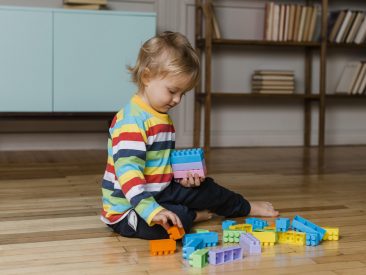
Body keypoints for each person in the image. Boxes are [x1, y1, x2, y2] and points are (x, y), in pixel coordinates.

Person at [101, 31, 279, 240]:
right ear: (147, 77)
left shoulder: (159, 113)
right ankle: (191, 215)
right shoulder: (131, 121)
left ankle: (244, 206)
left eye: (182, 94)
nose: (177, 100)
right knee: (173, 223)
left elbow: (159, 164)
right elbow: (128, 174)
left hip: (160, 190)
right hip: (129, 208)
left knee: (207, 189)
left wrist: (182, 178)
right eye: (173, 91)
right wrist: (153, 211)